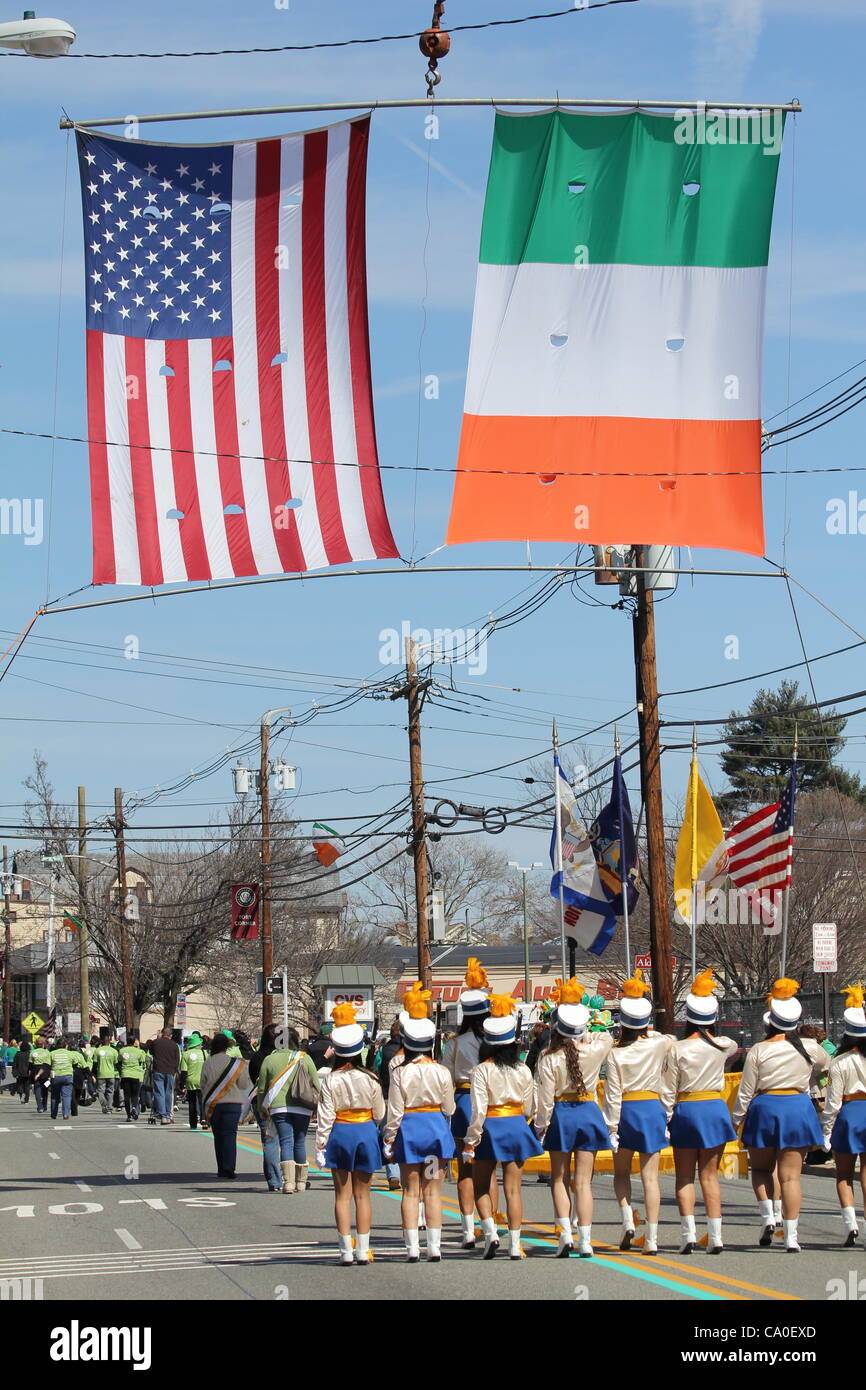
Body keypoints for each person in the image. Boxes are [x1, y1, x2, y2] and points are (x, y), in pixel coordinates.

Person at [732, 978, 825, 1252]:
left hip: (765, 1107)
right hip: (798, 1106)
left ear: (770, 1020)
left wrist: (736, 1119)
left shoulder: (759, 1049)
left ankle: (768, 1217)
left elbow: (746, 1091)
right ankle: (792, 1236)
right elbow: (825, 1063)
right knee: (791, 1177)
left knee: (761, 1169)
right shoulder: (808, 1047)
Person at [533, 978, 614, 1257]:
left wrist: (541, 1125)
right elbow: (608, 1036)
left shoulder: (547, 1055)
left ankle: (565, 1234)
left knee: (559, 1177)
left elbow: (544, 1098)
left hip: (562, 1113)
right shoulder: (595, 1048)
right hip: (589, 1110)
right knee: (583, 1182)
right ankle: (586, 1240)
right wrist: (588, 1031)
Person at [463, 994, 542, 1260]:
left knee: (481, 1184)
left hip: (491, 1127)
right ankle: (516, 1245)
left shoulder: (481, 1070)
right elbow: (531, 1106)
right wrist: (523, 1121)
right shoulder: (522, 1069)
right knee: (513, 1189)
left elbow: (479, 1109)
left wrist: (471, 1139)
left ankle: (490, 1232)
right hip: (516, 1124)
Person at [664, 970, 737, 1255]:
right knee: (710, 1176)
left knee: (684, 1177)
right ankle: (716, 1236)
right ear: (714, 1018)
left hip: (687, 1108)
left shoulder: (677, 1048)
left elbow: (668, 1090)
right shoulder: (721, 1046)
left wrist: (667, 1116)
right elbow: (730, 1044)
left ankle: (688, 1235)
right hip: (714, 1108)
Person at [383, 983, 456, 1262]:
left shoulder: (400, 1071)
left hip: (410, 1131)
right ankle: (434, 1247)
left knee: (410, 1191)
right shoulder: (440, 1071)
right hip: (435, 1130)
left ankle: (412, 1247)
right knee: (433, 1190)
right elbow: (449, 1107)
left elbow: (395, 1111)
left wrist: (389, 1138)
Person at [603, 969, 674, 1255]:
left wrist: (611, 1127)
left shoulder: (616, 1053)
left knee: (621, 1172)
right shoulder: (659, 1043)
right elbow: (668, 1037)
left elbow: (612, 1095)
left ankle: (626, 1220)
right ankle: (653, 1237)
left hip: (626, 1109)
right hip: (652, 1107)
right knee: (651, 1177)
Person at [315, 1002, 385, 1266]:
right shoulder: (371, 1078)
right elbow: (379, 1114)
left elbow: (325, 1116)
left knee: (341, 1195)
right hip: (365, 1130)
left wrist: (321, 1145)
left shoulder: (331, 1079)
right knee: (363, 1194)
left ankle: (345, 1249)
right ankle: (363, 1249)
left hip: (340, 1131)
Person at [442, 958, 496, 1249]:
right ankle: (493, 1222)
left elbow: (446, 1078)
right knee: (489, 1166)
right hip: (493, 1103)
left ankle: (467, 1229)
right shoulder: (498, 1040)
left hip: (464, 1101)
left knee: (465, 1168)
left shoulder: (455, 1043)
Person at [821, 984, 866, 1248]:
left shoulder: (839, 1062)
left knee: (844, 1175)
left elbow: (832, 1103)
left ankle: (850, 1224)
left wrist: (826, 1131)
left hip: (850, 1115)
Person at [257, 1024, 321, 1194]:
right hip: (303, 1106)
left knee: (286, 1141)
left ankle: (288, 1183)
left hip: (278, 1107)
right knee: (299, 1142)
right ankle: (301, 1182)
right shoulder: (304, 1057)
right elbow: (316, 1083)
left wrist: (261, 1107)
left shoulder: (269, 1059)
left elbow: (262, 1088)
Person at [200, 1032, 251, 1178]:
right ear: (227, 1047)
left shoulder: (208, 1063)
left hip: (214, 1103)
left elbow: (202, 1084)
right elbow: (243, 1085)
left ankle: (221, 1168)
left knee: (218, 1136)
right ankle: (229, 1167)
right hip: (233, 1103)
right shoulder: (234, 1063)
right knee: (230, 1136)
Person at [378, 1019, 405, 1191]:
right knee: (404, 1135)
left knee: (388, 1135)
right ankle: (405, 1171)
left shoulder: (384, 1050)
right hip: (407, 1100)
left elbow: (377, 1068)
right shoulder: (409, 1052)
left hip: (387, 1096)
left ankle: (393, 1172)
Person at [149, 1028, 180, 1125]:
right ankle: (167, 1115)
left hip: (158, 1070)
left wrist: (158, 1038)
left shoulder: (156, 1043)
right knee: (168, 1092)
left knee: (159, 1092)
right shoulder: (174, 1045)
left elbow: (151, 1052)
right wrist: (174, 1070)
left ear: (162, 1034)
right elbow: (177, 1060)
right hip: (170, 1071)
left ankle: (162, 1115)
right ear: (171, 1035)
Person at [179, 1033, 208, 1130]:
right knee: (202, 1101)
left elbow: (183, 1071)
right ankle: (204, 1120)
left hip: (190, 1081)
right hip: (203, 1080)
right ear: (199, 1044)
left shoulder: (185, 1054)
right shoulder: (205, 1053)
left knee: (191, 1102)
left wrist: (181, 1084)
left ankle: (193, 1123)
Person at [118, 1037, 148, 1121]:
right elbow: (142, 1061)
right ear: (134, 1042)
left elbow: (119, 1061)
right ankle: (134, 1107)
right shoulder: (140, 1051)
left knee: (127, 1096)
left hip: (125, 1074)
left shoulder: (122, 1050)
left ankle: (129, 1115)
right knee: (135, 1095)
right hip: (136, 1075)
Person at [49, 1037, 76, 1119]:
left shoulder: (52, 1053)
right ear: (66, 1045)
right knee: (67, 1096)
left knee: (54, 1095)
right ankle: (66, 1113)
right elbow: (75, 1062)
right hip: (67, 1076)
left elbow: (48, 1064)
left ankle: (54, 1114)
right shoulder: (70, 1054)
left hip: (56, 1076)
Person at [92, 1035, 120, 1114]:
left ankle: (104, 1104)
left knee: (100, 1091)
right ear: (109, 1042)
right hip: (111, 1074)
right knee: (110, 1091)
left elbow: (95, 1063)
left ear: (102, 1042)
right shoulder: (114, 1051)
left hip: (101, 1074)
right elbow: (116, 1063)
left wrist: (93, 1074)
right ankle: (110, 1108)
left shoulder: (97, 1050)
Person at [30, 1036, 51, 1113]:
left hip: (35, 1071)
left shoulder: (33, 1052)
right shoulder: (47, 1052)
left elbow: (30, 1063)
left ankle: (40, 1107)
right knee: (45, 1088)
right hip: (45, 1072)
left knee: (37, 1089)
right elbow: (49, 1064)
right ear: (44, 1044)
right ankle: (44, 1105)